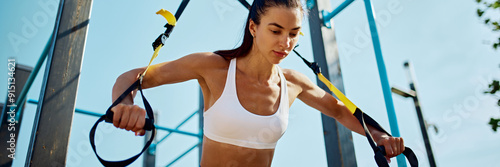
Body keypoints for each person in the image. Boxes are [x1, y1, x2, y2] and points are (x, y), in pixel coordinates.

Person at [110, 0, 405, 166]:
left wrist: (378, 136)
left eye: (294, 33)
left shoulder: (293, 83)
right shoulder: (212, 67)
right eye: (275, 31)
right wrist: (125, 104)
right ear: (253, 27)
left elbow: (340, 111)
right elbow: (129, 79)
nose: (285, 42)